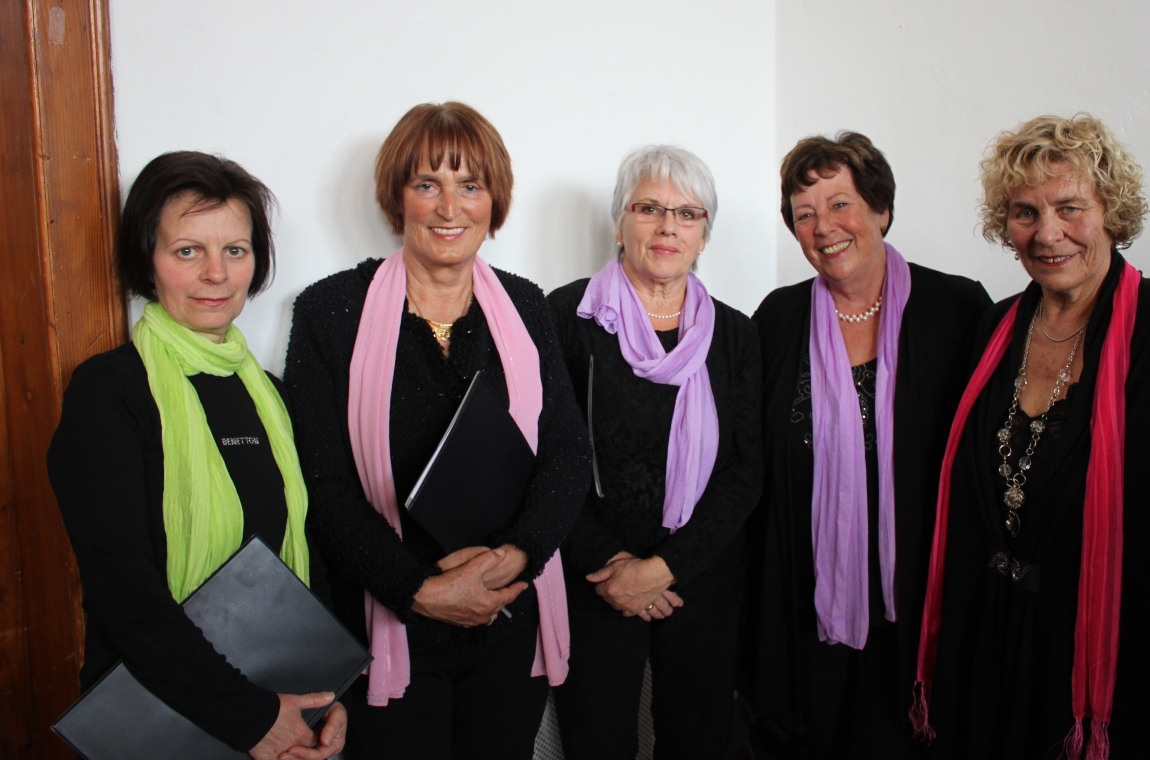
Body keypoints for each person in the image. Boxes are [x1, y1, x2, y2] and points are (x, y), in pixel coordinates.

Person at [911, 114, 1150, 759]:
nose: (1047, 233)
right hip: (993, 654)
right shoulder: (994, 330)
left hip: (1126, 671)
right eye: (1025, 212)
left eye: (1070, 207)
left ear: (1111, 213)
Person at [283, 102, 590, 759]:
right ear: (398, 198)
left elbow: (567, 452)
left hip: (509, 617)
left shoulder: (527, 305)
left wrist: (517, 556)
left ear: (493, 200)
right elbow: (323, 486)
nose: (450, 207)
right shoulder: (329, 312)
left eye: (469, 185)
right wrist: (419, 590)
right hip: (387, 628)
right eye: (428, 184)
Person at [47, 151, 347, 759]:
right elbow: (127, 599)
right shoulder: (108, 393)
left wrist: (325, 694)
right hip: (159, 720)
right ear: (148, 261)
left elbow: (307, 562)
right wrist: (254, 720)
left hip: (277, 711)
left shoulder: (271, 397)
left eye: (235, 250)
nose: (216, 273)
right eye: (188, 251)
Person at [736, 133, 992, 759]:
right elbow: (749, 460)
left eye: (840, 204)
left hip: (921, 602)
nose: (824, 227)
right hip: (803, 599)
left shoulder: (958, 309)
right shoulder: (776, 318)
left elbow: (985, 463)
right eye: (804, 213)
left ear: (881, 209)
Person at [547, 145, 763, 760]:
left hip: (700, 578)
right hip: (595, 579)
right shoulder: (566, 316)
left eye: (687, 213)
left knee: (696, 743)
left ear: (703, 234)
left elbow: (746, 471)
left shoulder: (736, 333)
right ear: (620, 223)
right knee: (597, 743)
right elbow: (545, 457)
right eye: (649, 208)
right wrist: (614, 566)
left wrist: (664, 569)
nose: (668, 226)